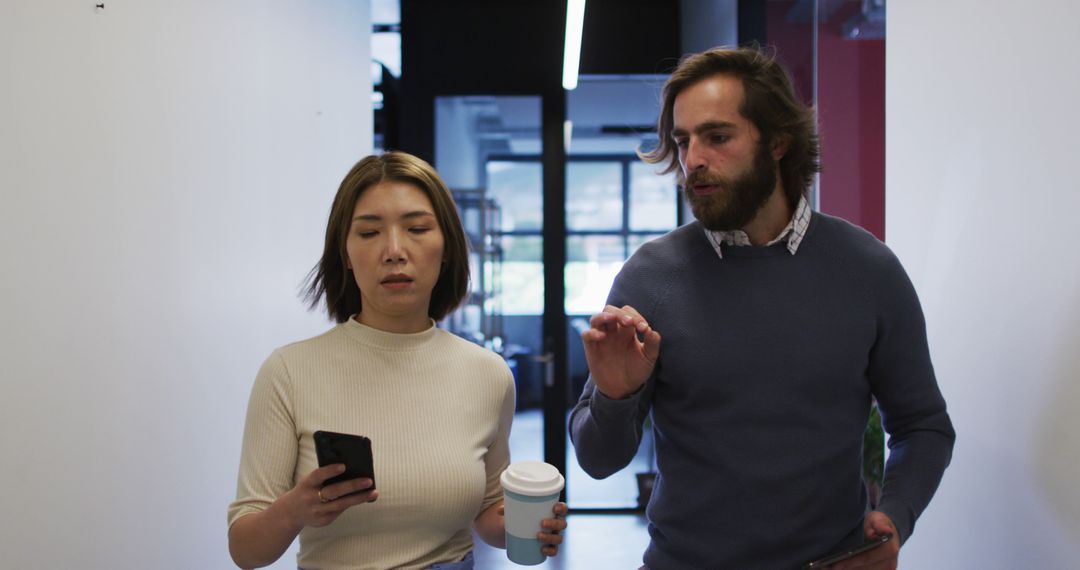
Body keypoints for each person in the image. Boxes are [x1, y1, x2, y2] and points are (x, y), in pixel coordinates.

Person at [569, 46, 955, 569]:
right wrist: (616, 395)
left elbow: (923, 425)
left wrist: (896, 515)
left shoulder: (869, 270)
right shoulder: (651, 276)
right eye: (683, 141)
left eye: (717, 137)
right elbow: (596, 461)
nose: (693, 160)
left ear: (777, 141)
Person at [228, 151, 568, 570]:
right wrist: (294, 511)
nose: (394, 250)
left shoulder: (487, 373)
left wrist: (529, 525)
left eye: (417, 228)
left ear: (446, 248)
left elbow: (487, 511)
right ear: (346, 255)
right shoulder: (289, 372)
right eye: (369, 233)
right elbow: (244, 549)